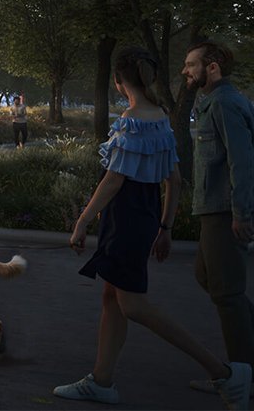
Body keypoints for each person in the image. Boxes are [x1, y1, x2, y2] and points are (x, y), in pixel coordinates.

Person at [57, 47, 251, 406]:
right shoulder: (161, 118)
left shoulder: (133, 119)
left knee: (134, 306)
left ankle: (224, 373)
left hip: (125, 222)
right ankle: (101, 381)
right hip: (144, 219)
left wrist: (82, 221)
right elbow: (174, 180)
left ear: (119, 82)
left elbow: (113, 180)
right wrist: (165, 226)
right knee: (112, 298)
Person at [182, 41, 254, 371]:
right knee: (209, 278)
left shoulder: (224, 104)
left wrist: (241, 213)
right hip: (214, 208)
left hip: (224, 211)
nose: (185, 71)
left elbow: (242, 162)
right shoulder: (214, 102)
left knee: (227, 293)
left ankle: (241, 377)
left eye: (191, 65)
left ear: (212, 68)